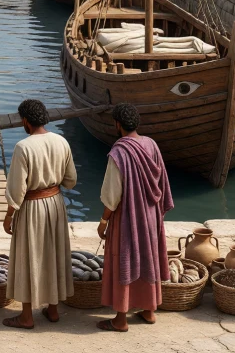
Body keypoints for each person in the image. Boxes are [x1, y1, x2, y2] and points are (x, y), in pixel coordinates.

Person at [96, 104, 173, 332]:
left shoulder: (119, 152)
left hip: (128, 217)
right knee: (149, 258)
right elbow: (162, 182)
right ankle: (149, 311)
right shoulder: (151, 144)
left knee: (124, 260)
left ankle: (120, 319)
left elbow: (112, 194)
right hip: (150, 215)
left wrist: (103, 221)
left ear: (117, 124)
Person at [2, 99, 77, 329]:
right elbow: (70, 180)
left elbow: (17, 189)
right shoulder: (61, 142)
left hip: (32, 207)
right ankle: (53, 310)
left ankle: (26, 316)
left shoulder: (23, 147)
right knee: (54, 254)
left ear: (25, 121)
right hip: (55, 204)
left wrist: (8, 216)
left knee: (28, 256)